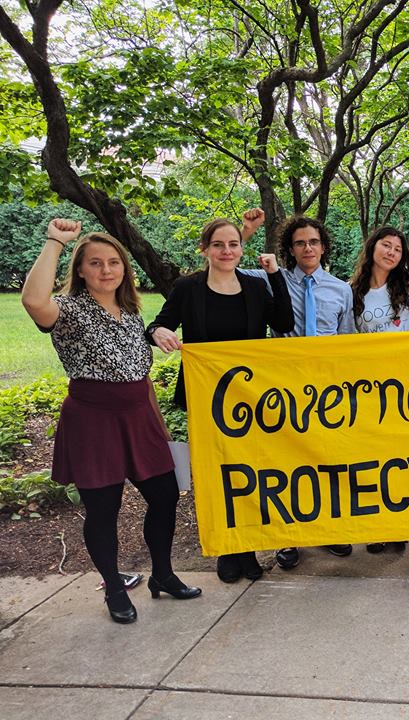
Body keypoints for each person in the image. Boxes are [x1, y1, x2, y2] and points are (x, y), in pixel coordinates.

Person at [21, 219, 201, 624]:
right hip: (93, 421)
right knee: (104, 509)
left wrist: (160, 427)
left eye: (114, 262)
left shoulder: (131, 312)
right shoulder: (68, 310)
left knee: (165, 496)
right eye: (95, 263)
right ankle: (115, 590)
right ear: (81, 270)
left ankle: (163, 575)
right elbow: (33, 300)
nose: (106, 270)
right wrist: (55, 242)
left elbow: (141, 375)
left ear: (124, 269)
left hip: (140, 418)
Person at [147, 218, 294, 584]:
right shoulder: (188, 288)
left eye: (233, 244)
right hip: (206, 399)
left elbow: (284, 321)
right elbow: (158, 325)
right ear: (205, 249)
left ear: (241, 249)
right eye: (218, 244)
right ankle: (228, 549)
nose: (227, 251)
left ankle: (248, 546)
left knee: (250, 473)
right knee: (217, 474)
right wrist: (159, 331)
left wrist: (275, 274)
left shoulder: (254, 286)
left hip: (249, 398)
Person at [239, 210, 356, 567]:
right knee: (287, 463)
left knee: (326, 460)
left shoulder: (341, 290)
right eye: (300, 243)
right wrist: (246, 231)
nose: (308, 248)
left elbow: (347, 342)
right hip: (284, 386)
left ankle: (329, 530)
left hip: (325, 389)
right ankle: (288, 537)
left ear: (323, 247)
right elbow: (227, 266)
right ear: (290, 249)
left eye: (314, 242)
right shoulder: (270, 280)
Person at [350, 224, 409, 552]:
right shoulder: (353, 291)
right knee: (380, 458)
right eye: (386, 245)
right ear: (372, 247)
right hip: (373, 387)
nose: (391, 252)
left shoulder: (407, 281)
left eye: (397, 248)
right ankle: (384, 526)